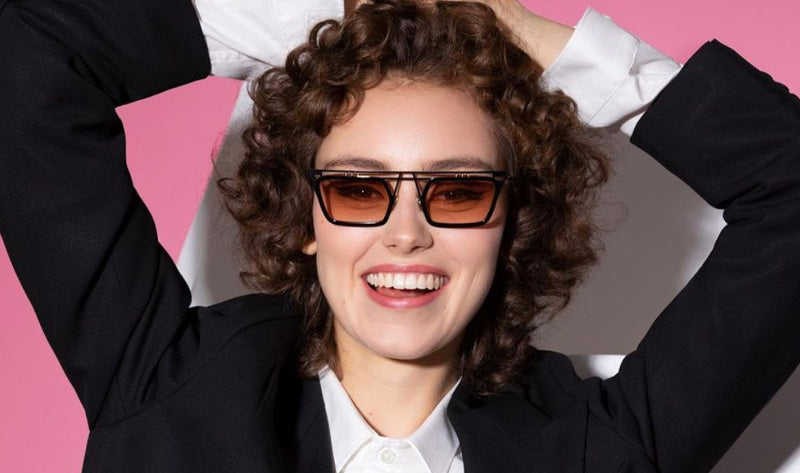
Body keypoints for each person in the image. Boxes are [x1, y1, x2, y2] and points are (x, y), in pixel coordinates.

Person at [0, 1, 798, 473]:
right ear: (305, 217)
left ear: (511, 220)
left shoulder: (601, 448)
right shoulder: (166, 391)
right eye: (358, 188)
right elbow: (28, 54)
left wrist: (508, 25)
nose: (405, 233)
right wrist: (337, 15)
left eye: (457, 191)